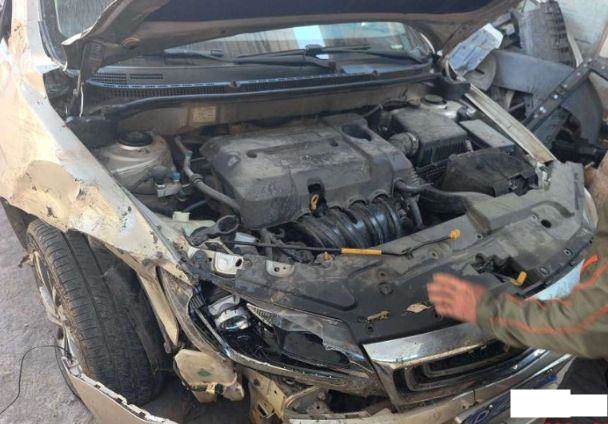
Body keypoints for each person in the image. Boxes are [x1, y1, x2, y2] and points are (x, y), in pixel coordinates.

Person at [427, 162, 608, 395]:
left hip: (595, 358)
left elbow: (585, 325)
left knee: (560, 409)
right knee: (544, 404)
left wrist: (483, 309)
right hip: (596, 356)